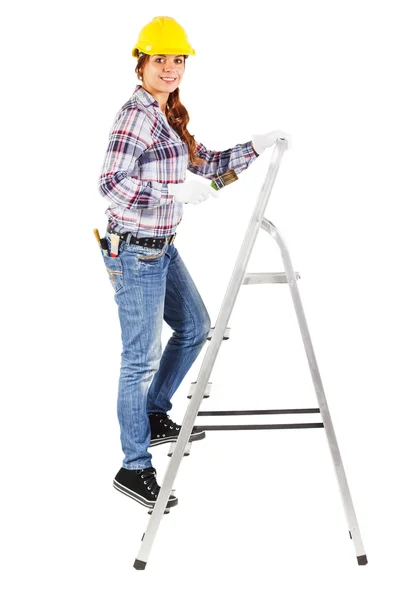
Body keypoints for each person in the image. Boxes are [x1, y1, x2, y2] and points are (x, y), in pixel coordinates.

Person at [98, 16, 290, 511]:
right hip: (134, 251)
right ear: (141, 63)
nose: (169, 68)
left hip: (162, 245)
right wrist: (172, 192)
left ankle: (155, 412)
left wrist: (254, 147)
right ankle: (133, 467)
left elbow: (204, 163)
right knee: (139, 359)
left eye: (177, 60)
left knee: (196, 325)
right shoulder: (134, 116)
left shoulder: (168, 113)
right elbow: (111, 185)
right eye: (160, 59)